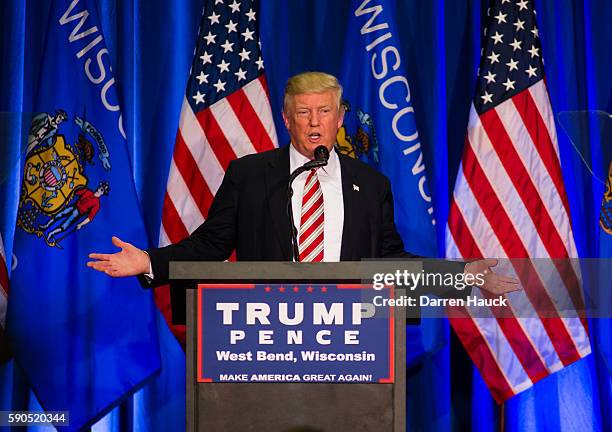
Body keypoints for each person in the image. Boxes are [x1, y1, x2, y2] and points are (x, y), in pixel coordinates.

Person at [87, 72, 517, 297]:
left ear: (340, 118)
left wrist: (460, 276)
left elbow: (389, 260)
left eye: (325, 112)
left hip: (350, 341)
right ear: (287, 119)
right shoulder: (250, 176)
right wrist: (148, 262)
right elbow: (210, 246)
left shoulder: (371, 184)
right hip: (267, 340)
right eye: (304, 113)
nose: (315, 123)